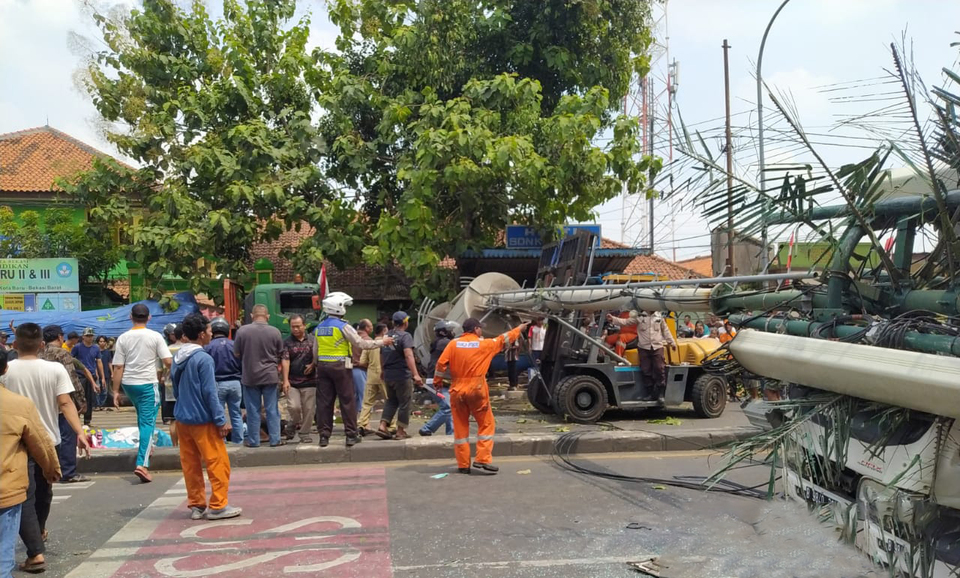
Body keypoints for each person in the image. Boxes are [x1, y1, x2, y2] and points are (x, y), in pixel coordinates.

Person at [4, 323, 90, 573]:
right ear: (42, 344)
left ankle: (35, 550)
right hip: (48, 441)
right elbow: (65, 403)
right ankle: (37, 539)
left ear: (15, 344)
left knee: (25, 496)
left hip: (17, 442)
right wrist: (79, 433)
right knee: (43, 491)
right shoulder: (55, 369)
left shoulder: (6, 371)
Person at [434, 318, 528, 474]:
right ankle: (482, 459)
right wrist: (519, 329)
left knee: (460, 429)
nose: (482, 331)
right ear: (476, 329)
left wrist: (437, 381)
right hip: (477, 389)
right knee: (486, 424)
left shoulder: (453, 344)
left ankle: (463, 464)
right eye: (480, 328)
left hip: (457, 390)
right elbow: (504, 338)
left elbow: (441, 364)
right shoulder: (484, 344)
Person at [171, 313, 241, 521]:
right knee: (217, 462)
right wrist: (220, 420)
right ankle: (219, 505)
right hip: (203, 419)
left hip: (183, 418)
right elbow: (210, 393)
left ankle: (196, 504)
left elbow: (175, 389)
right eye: (209, 330)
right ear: (201, 334)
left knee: (191, 465)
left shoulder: (178, 357)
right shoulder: (203, 359)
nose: (212, 333)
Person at [0, 350, 62, 577]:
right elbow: (41, 444)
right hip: (6, 490)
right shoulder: (19, 405)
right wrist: (51, 470)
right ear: (5, 369)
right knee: (3, 559)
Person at [314, 292, 393, 448]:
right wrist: (382, 342)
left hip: (323, 367)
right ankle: (351, 435)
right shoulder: (343, 326)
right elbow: (361, 344)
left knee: (324, 403)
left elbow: (315, 351)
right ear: (339, 308)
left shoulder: (319, 327)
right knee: (347, 401)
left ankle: (324, 436)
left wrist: (318, 364)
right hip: (341, 367)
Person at [113, 304, 173, 483]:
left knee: (142, 418)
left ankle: (146, 448)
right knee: (148, 423)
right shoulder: (155, 336)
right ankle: (142, 464)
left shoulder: (123, 338)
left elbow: (118, 366)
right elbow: (168, 361)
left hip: (129, 384)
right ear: (149, 318)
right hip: (147, 383)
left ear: (131, 316)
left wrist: (115, 391)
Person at [39, 325, 93, 484]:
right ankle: (68, 472)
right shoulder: (63, 354)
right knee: (67, 437)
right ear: (59, 337)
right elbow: (73, 379)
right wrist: (82, 401)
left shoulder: (38, 354)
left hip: (43, 403)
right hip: (63, 401)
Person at [233, 304, 284, 448]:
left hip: (250, 376)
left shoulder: (242, 331)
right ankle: (275, 439)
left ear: (251, 316)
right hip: (270, 376)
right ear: (267, 316)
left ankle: (254, 441)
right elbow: (280, 353)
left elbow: (236, 354)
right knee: (272, 409)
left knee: (252, 410)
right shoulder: (275, 332)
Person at [605, 310, 677, 403]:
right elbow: (626, 322)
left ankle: (661, 394)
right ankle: (650, 393)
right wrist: (613, 319)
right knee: (646, 370)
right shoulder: (640, 316)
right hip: (643, 347)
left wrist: (672, 343)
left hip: (657, 347)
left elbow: (665, 330)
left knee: (659, 369)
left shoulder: (659, 317)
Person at [374, 312, 422, 441]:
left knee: (391, 401)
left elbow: (381, 354)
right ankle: (401, 431)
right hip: (401, 374)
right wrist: (416, 374)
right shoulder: (405, 336)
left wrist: (383, 370)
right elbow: (408, 355)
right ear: (405, 323)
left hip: (389, 374)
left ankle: (382, 426)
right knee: (404, 402)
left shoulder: (387, 335)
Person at [204, 317, 244, 444]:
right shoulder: (234, 344)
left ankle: (222, 441)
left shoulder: (208, 347)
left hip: (218, 383)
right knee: (236, 414)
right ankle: (239, 440)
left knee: (219, 414)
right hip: (235, 383)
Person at [281, 314, 316, 444]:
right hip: (293, 382)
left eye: (298, 326)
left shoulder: (313, 340)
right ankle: (293, 423)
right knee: (294, 407)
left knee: (309, 409)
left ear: (304, 325)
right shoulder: (287, 342)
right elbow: (285, 360)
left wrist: (313, 365)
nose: (295, 329)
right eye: (292, 327)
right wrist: (285, 380)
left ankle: (304, 433)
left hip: (310, 381)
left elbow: (317, 356)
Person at [357, 323, 395, 436]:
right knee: (390, 401)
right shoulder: (388, 344)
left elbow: (362, 362)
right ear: (384, 332)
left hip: (371, 375)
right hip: (384, 376)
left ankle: (362, 424)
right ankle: (391, 425)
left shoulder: (369, 344)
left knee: (367, 402)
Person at [419, 320, 455, 436]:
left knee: (451, 407)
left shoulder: (439, 342)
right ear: (444, 332)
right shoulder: (445, 343)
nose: (453, 333)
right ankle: (427, 428)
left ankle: (451, 433)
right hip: (436, 382)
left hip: (439, 381)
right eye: (450, 331)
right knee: (447, 407)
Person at [71, 327, 104, 426]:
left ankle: (87, 421)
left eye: (91, 336)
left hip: (92, 376)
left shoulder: (96, 348)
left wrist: (102, 377)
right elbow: (71, 359)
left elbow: (99, 362)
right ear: (83, 337)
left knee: (90, 399)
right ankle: (76, 418)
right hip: (80, 376)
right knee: (78, 397)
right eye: (87, 336)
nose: (89, 338)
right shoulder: (77, 347)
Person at [351, 319, 373, 417]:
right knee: (365, 397)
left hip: (349, 369)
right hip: (362, 370)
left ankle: (352, 422)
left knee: (353, 397)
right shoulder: (368, 340)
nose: (372, 327)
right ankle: (363, 422)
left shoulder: (352, 338)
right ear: (367, 328)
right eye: (371, 326)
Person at [97, 336, 113, 409]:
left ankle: (101, 405)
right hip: (97, 374)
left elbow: (109, 363)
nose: (102, 343)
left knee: (105, 391)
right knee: (97, 390)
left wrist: (112, 373)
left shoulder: (107, 352)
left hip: (106, 374)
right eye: (100, 341)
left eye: (103, 341)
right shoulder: (96, 351)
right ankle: (97, 405)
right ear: (98, 342)